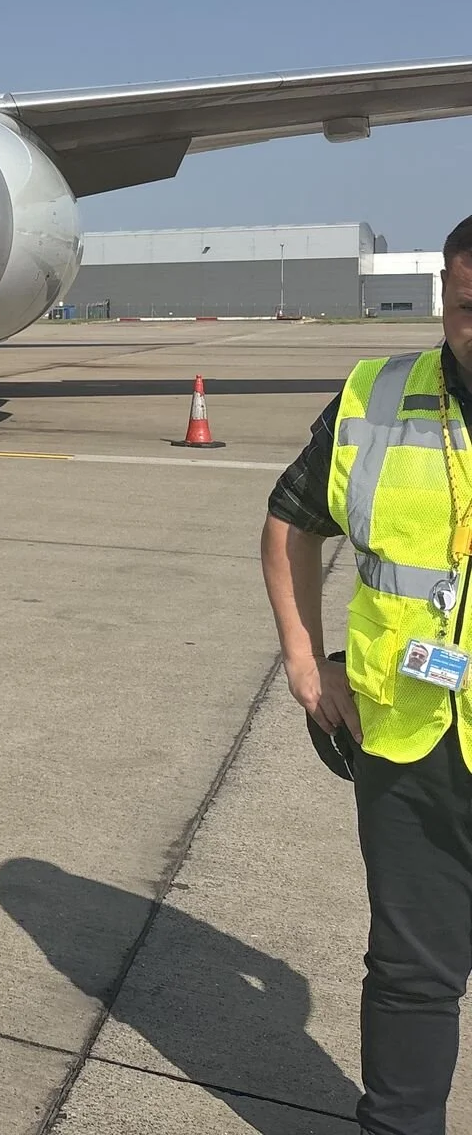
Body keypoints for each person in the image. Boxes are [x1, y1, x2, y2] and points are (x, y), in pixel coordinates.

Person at [264, 213, 472, 1135]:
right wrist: (305, 662)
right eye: (468, 307)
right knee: (411, 972)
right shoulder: (379, 397)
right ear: (443, 299)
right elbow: (289, 522)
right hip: (411, 736)